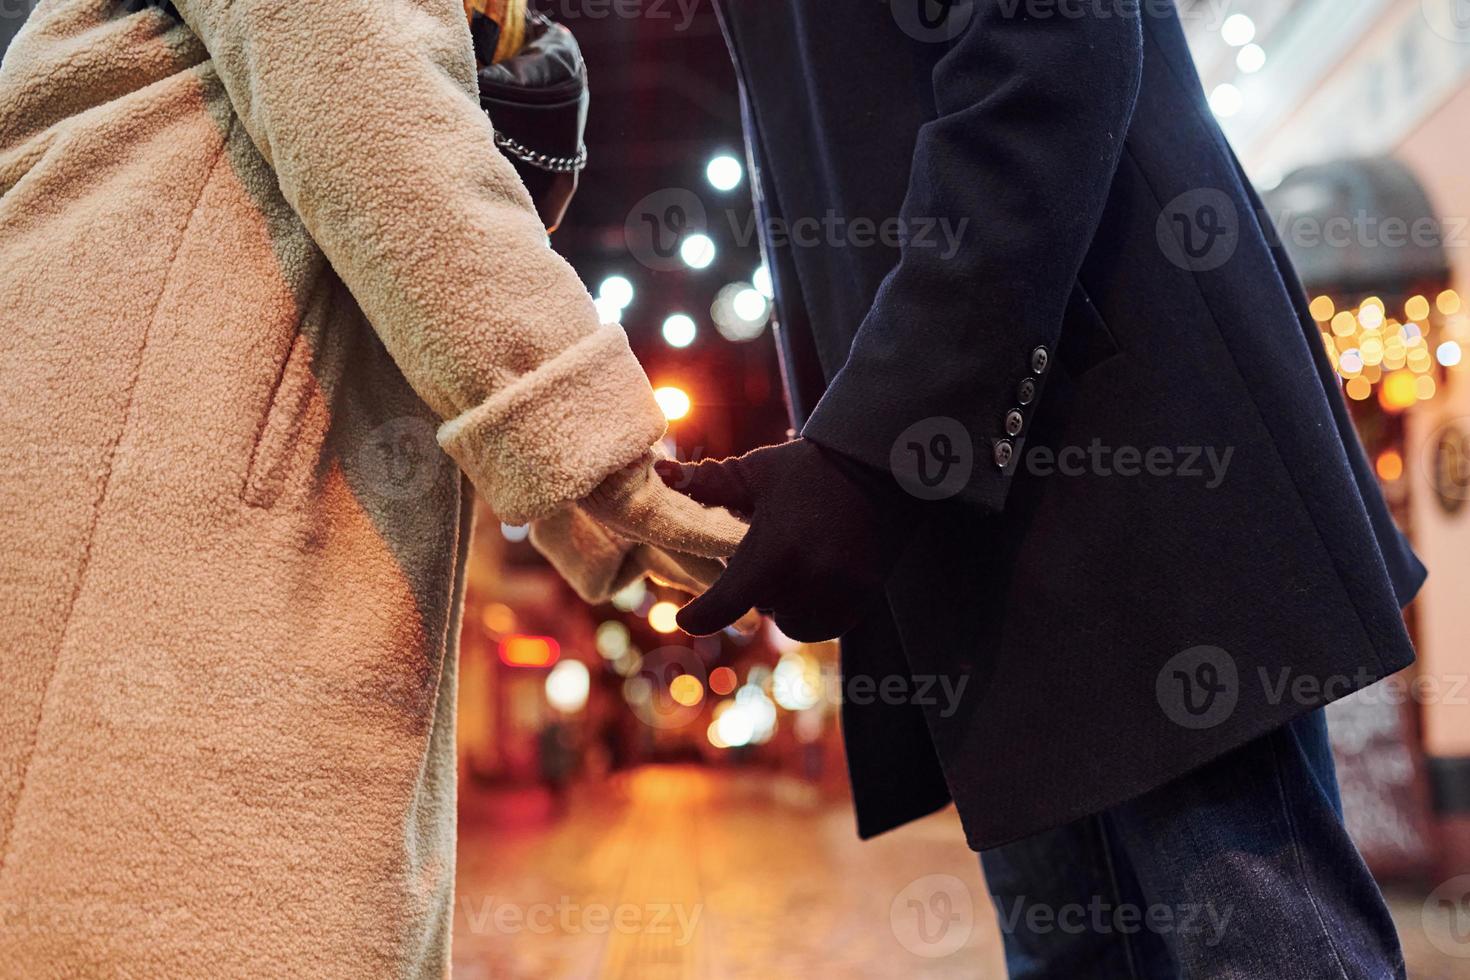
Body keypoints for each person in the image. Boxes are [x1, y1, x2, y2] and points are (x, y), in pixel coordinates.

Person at [659, 2, 1427, 976]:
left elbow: (1052, 40)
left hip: (1117, 452)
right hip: (974, 513)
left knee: (1267, 951)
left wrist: (872, 448)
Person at [0, 0, 743, 975]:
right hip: (145, 509)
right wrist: (591, 448)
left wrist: (509, 52)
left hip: (229, 513)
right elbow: (368, 92)